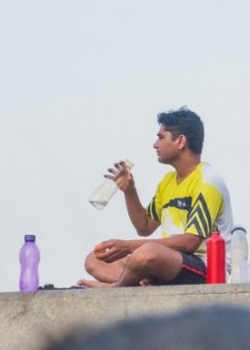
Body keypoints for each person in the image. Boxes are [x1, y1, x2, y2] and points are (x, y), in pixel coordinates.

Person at [80, 107, 233, 288]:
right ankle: (139, 282)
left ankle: (115, 288)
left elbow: (190, 242)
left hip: (204, 268)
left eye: (161, 137)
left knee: (146, 253)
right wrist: (130, 191)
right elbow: (144, 227)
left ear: (180, 141)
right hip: (167, 263)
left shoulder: (208, 181)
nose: (155, 144)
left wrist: (129, 247)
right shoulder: (168, 181)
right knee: (95, 259)